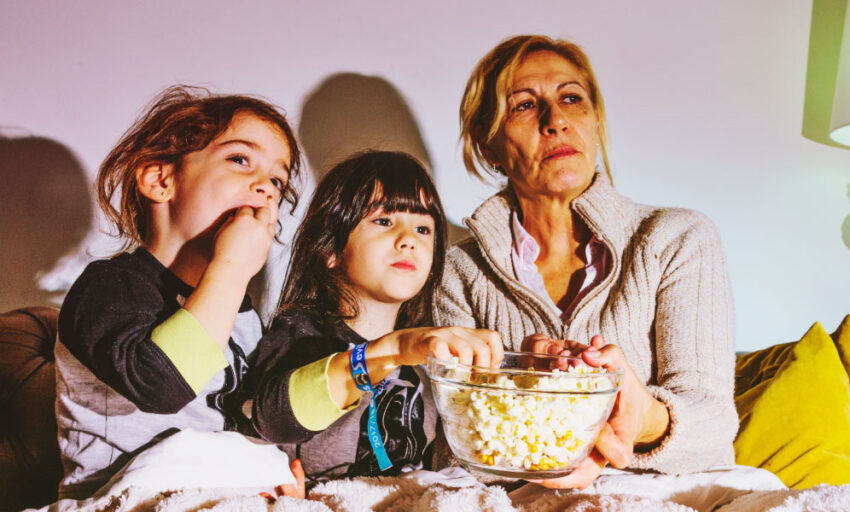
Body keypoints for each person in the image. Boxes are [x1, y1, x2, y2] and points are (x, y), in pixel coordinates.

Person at [433, 35, 738, 489]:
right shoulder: (458, 272)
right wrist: (527, 397)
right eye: (522, 106)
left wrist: (641, 417)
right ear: (489, 144)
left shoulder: (678, 238)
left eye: (571, 99)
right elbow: (452, 446)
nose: (555, 121)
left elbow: (714, 431)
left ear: (594, 121)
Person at [54, 85, 301, 499]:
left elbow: (245, 417)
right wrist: (233, 268)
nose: (267, 188)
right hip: (126, 498)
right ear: (160, 179)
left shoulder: (239, 309)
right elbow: (159, 385)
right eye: (240, 159)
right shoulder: (107, 286)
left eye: (278, 179)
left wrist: (275, 476)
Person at [247, 150, 503, 485]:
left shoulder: (430, 359)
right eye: (384, 221)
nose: (409, 239)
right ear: (330, 250)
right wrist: (394, 348)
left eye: (424, 229)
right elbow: (274, 420)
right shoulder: (301, 332)